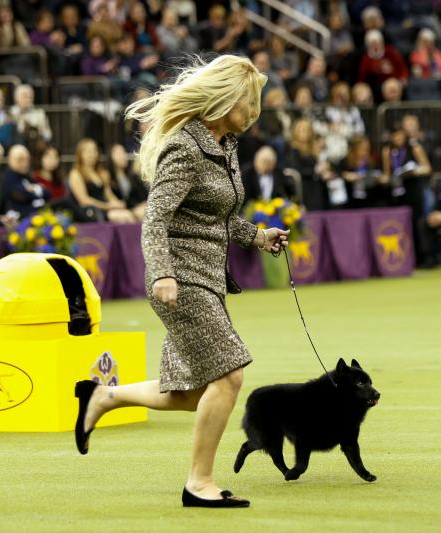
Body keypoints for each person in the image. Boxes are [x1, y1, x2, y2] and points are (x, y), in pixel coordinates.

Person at [76, 55, 288, 509]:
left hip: (209, 277)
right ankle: (199, 483)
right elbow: (155, 218)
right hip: (179, 279)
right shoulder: (185, 146)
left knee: (193, 394)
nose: (255, 110)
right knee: (230, 375)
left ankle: (104, 396)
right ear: (226, 97)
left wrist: (259, 236)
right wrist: (162, 274)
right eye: (249, 100)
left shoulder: (225, 144)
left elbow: (219, 216)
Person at [68, 138, 136, 223]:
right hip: (89, 211)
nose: (92, 154)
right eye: (88, 151)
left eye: (94, 150)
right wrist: (108, 206)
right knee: (125, 217)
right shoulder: (75, 174)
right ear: (80, 154)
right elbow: (84, 200)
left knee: (129, 214)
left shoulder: (101, 173)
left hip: (105, 209)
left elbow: (108, 194)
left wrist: (117, 203)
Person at [287, 117, 330, 211]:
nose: (305, 132)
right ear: (296, 132)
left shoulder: (315, 150)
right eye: (302, 130)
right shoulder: (294, 150)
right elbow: (297, 170)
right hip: (305, 190)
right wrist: (316, 170)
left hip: (318, 188)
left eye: (307, 129)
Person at [1, 144, 50, 219]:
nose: (25, 163)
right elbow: (21, 195)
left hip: (36, 213)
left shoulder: (27, 176)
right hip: (21, 216)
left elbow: (47, 193)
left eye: (27, 160)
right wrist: (36, 190)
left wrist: (35, 189)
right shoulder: (8, 177)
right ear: (11, 160)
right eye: (20, 160)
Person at [358, 30, 409, 100]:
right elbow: (362, 76)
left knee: (394, 87)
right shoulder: (366, 59)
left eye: (377, 43)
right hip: (377, 86)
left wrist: (403, 78)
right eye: (372, 44)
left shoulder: (391, 52)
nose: (375, 46)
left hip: (394, 81)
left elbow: (402, 68)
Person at [108, 143, 148, 218]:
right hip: (121, 208)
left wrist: (142, 203)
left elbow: (142, 194)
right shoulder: (109, 177)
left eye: (123, 152)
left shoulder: (131, 176)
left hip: (135, 207)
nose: (123, 156)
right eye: (118, 153)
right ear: (111, 157)